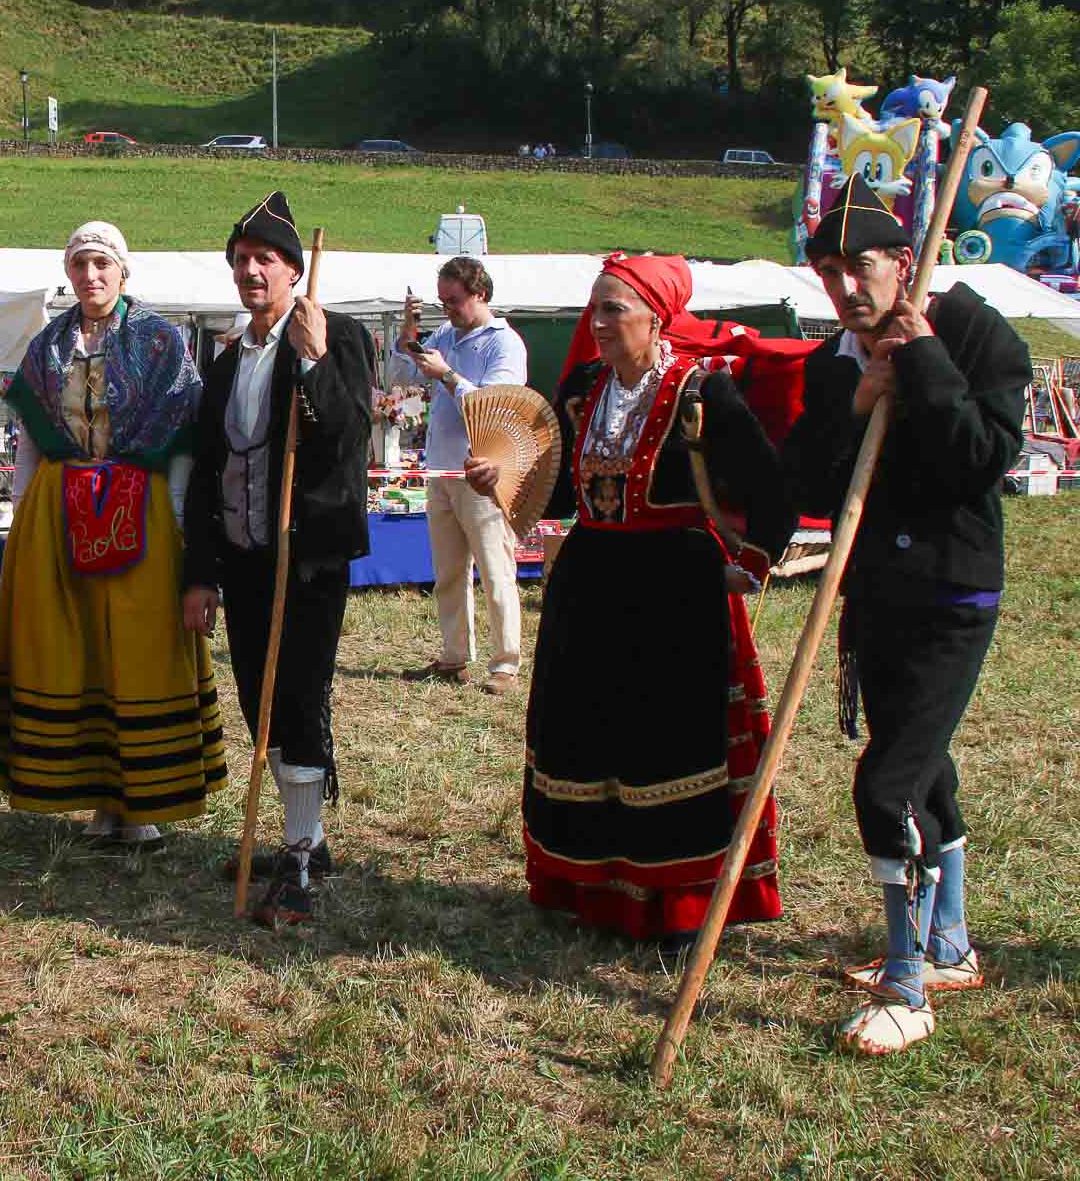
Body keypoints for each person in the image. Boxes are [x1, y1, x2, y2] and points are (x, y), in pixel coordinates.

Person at [782, 175, 1030, 1056]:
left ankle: (906, 981)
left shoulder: (970, 330)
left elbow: (982, 461)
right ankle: (951, 943)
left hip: (952, 591)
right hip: (874, 594)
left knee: (887, 785)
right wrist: (851, 409)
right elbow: (812, 487)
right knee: (923, 772)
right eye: (829, 273)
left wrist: (923, 360)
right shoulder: (830, 361)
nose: (847, 289)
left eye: (860, 267)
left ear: (900, 260)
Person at [490, 252, 792, 949]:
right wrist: (503, 477)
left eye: (611, 310)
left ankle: (673, 907)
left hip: (673, 593)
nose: (596, 323)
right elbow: (561, 492)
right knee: (583, 732)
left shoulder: (701, 393)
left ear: (656, 318)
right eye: (593, 308)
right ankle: (588, 884)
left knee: (666, 743)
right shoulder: (581, 390)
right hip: (589, 583)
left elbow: (770, 488)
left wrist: (748, 564)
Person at [0, 221, 226, 851]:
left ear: (124, 270)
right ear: (68, 273)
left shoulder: (159, 342)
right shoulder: (48, 346)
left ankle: (143, 801)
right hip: (58, 508)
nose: (91, 277)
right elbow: (30, 442)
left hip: (139, 504)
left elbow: (181, 436)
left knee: (138, 643)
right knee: (74, 646)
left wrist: (175, 515)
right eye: (80, 265)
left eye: (102, 264)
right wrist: (20, 513)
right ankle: (97, 798)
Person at [181, 191, 375, 926]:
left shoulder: (342, 337)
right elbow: (206, 471)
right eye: (241, 261)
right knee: (259, 697)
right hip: (245, 558)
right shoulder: (229, 362)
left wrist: (317, 359)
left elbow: (348, 437)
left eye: (265, 260)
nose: (251, 271)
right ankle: (307, 839)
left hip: (308, 555)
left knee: (298, 695)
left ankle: (298, 861)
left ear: (295, 272)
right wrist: (200, 572)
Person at [386, 256, 529, 693]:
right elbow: (398, 378)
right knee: (448, 570)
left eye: (455, 301)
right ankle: (454, 657)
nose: (447, 310)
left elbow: (497, 406)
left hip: (484, 474)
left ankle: (505, 664)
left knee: (495, 570)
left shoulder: (505, 343)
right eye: (442, 301)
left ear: (480, 293)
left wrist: (447, 375)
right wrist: (408, 339)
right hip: (441, 470)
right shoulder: (446, 334)